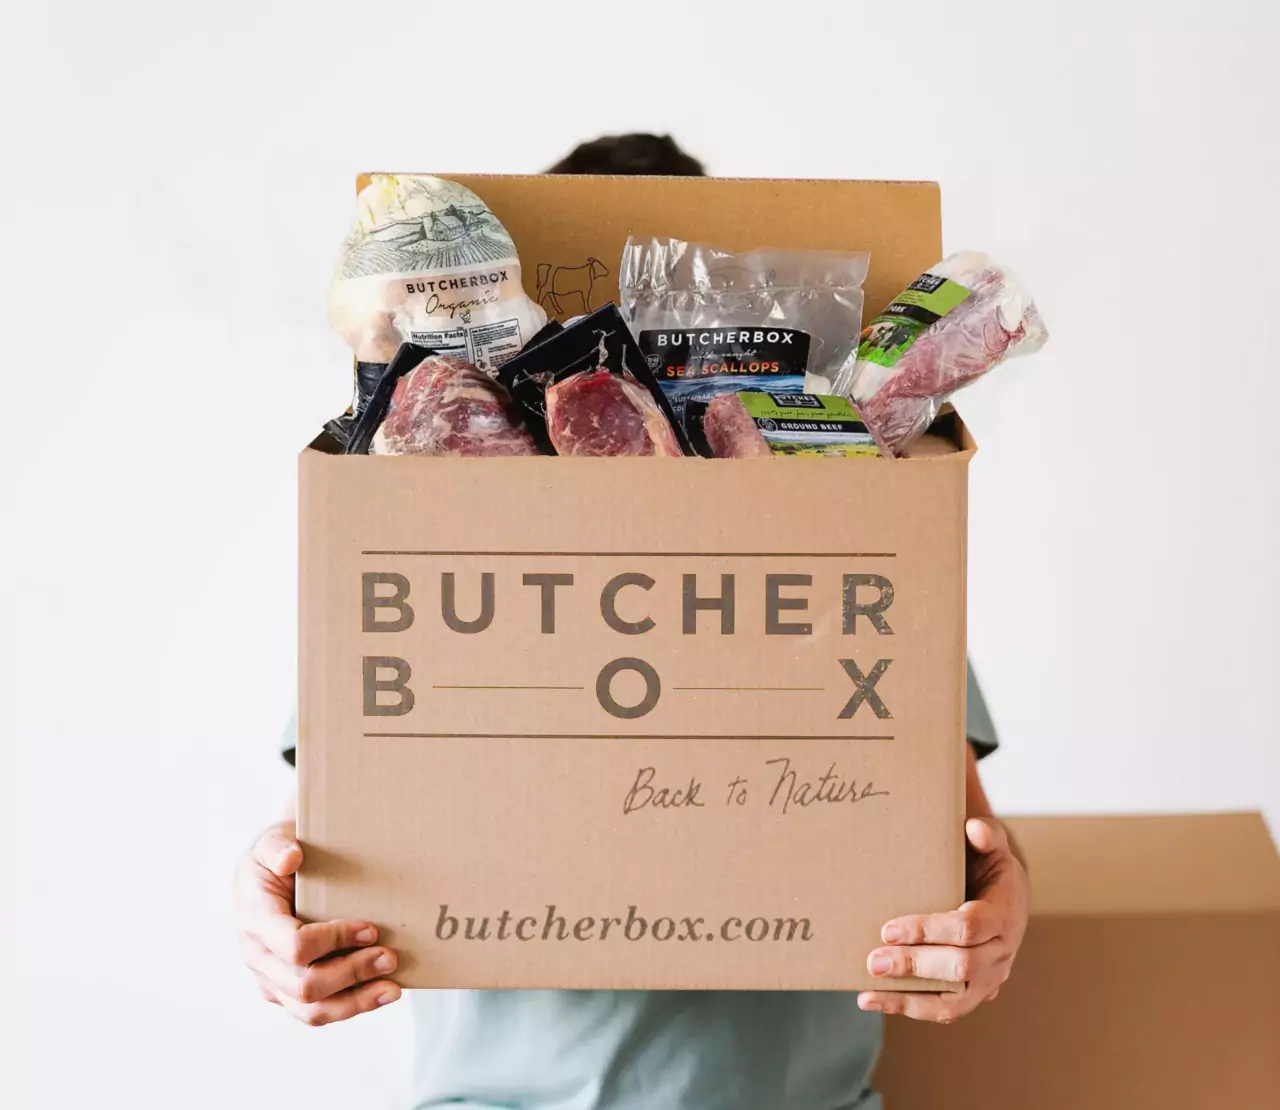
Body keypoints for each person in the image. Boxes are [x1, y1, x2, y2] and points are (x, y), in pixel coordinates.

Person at [236, 135, 1031, 1109]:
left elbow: (961, 839)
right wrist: (267, 911)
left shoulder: (860, 549)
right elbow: (336, 822)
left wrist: (996, 915)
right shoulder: (408, 545)